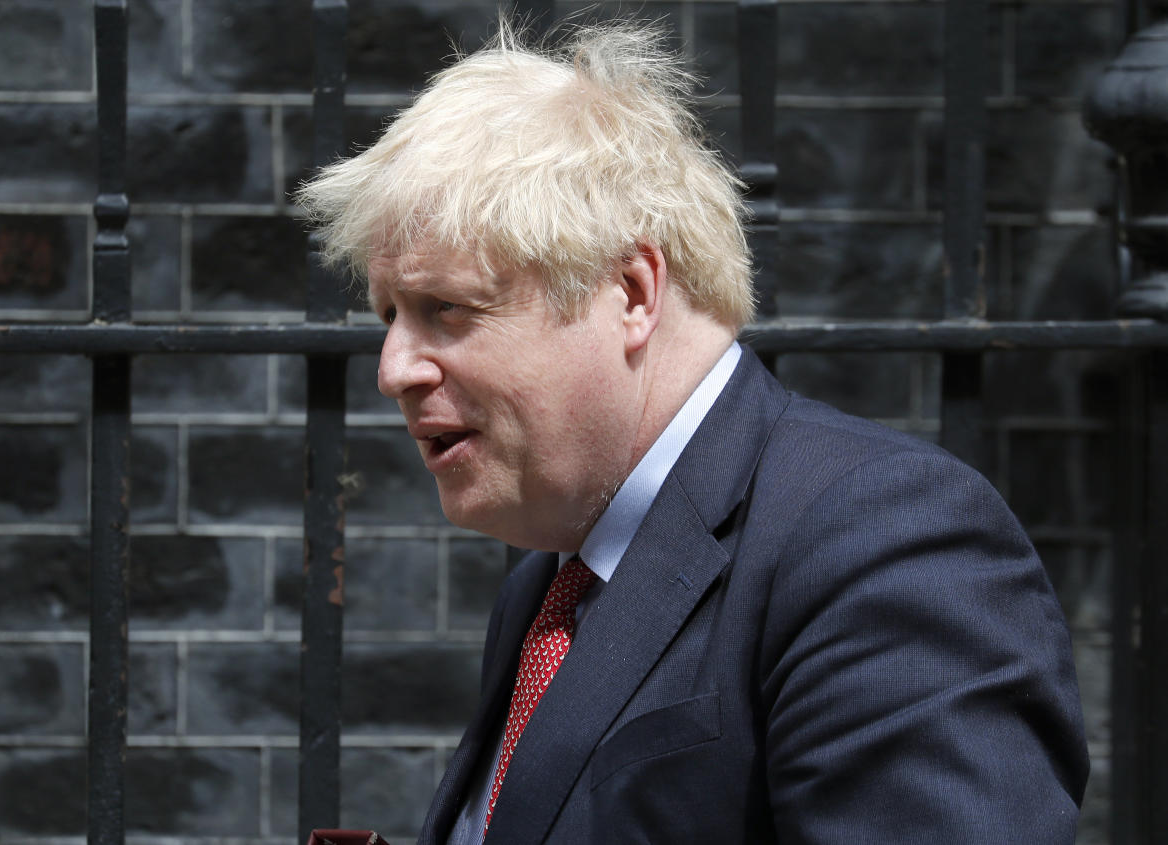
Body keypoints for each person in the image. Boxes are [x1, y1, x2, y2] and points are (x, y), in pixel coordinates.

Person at [298, 21, 1088, 845]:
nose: (394, 369)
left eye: (447, 308)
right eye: (390, 316)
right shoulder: (549, 581)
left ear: (632, 291)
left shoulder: (888, 539)